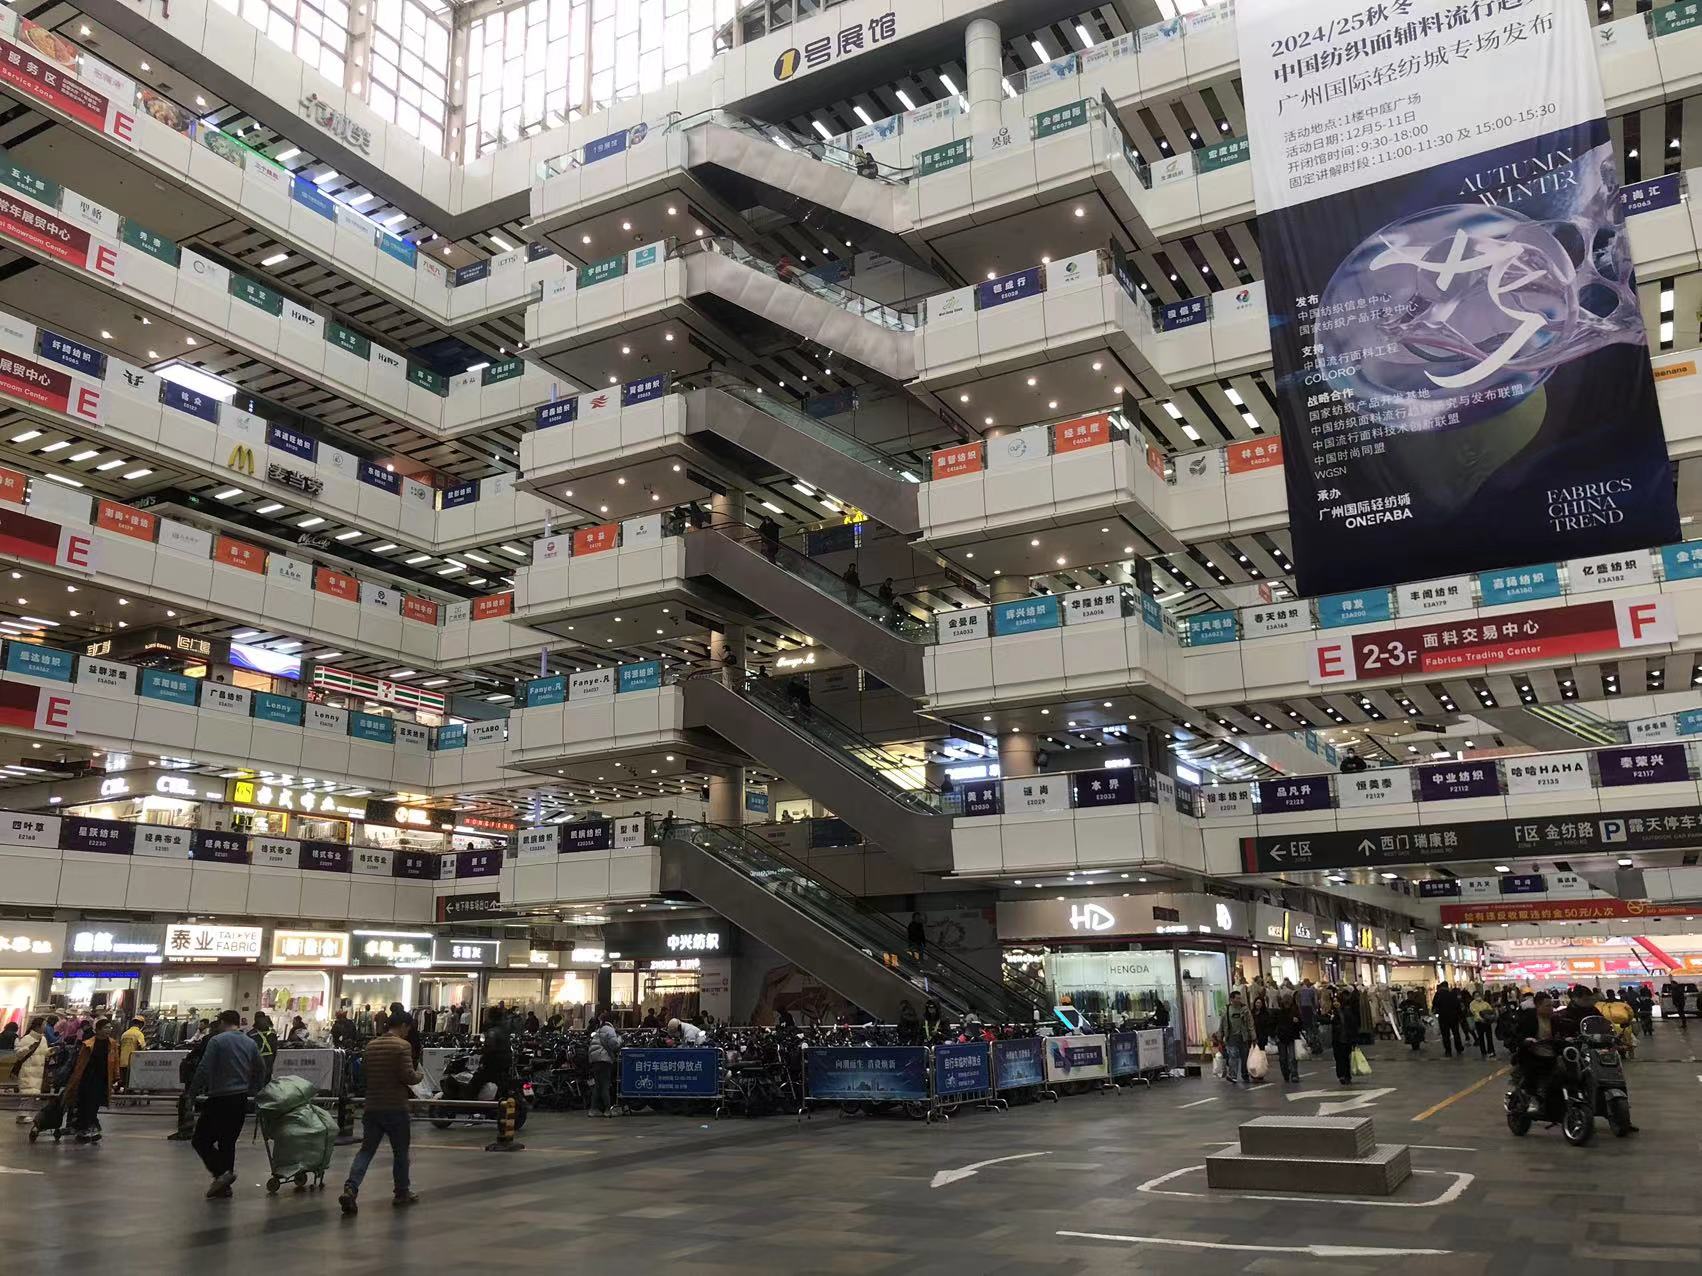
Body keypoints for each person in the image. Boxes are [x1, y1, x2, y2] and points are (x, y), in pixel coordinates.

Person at [339, 1014, 423, 1213]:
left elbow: (364, 1074)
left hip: (372, 1106)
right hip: (395, 1107)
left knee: (366, 1151)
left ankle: (351, 1187)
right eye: (407, 1029)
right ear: (403, 1026)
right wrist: (419, 1076)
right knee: (400, 1152)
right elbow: (407, 1076)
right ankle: (402, 1192)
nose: (407, 1033)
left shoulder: (371, 1046)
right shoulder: (402, 1046)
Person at [190, 1011, 265, 1198]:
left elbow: (204, 1067)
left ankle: (221, 1173)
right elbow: (261, 1068)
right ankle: (224, 1186)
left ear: (223, 1022)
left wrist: (192, 1091)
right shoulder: (250, 1042)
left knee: (200, 1140)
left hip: (219, 1098)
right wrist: (256, 1088)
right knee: (228, 1142)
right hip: (240, 1098)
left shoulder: (218, 1041)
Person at [62, 1019, 119, 1142]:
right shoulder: (88, 1044)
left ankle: (86, 1129)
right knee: (86, 1105)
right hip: (88, 1079)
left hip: (103, 1079)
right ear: (98, 1030)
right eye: (106, 1027)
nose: (108, 1030)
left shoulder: (112, 1044)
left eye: (110, 1027)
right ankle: (86, 1129)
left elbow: (115, 1062)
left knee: (94, 1105)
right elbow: (80, 1063)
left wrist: (116, 1076)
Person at [11, 1016, 48, 1124]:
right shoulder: (26, 1039)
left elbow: (44, 1052)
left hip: (38, 1070)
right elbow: (18, 1054)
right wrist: (28, 1048)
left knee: (33, 1093)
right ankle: (22, 1115)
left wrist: (50, 1051)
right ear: (37, 1026)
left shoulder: (43, 1039)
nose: (45, 1027)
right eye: (43, 1025)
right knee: (28, 1092)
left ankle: (23, 1114)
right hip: (27, 1069)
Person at [587, 1013, 621, 1116]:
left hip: (595, 1059)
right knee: (605, 1085)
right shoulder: (609, 1029)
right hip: (604, 1059)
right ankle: (607, 1110)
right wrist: (620, 1039)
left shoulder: (599, 1029)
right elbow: (614, 1044)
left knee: (598, 1085)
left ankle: (593, 1109)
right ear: (613, 1021)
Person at [1331, 984, 1361, 1086]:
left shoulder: (1347, 1011)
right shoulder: (1333, 1012)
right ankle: (1341, 1076)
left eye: (1337, 1001)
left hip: (1346, 1038)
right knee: (1339, 1058)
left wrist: (1355, 1039)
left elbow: (1352, 1025)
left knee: (1345, 1058)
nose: (1336, 1003)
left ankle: (1346, 1076)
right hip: (1337, 1039)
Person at [1221, 991, 1254, 1085]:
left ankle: (1245, 1073)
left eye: (1240, 998)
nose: (1239, 1000)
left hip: (1243, 1037)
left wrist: (1253, 1036)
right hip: (1231, 1037)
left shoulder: (1244, 1009)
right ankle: (1233, 1075)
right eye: (1237, 998)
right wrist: (1220, 1035)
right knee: (1233, 1056)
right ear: (1232, 999)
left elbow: (1250, 1023)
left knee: (1245, 1057)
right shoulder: (1226, 1010)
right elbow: (1222, 1024)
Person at [1272, 993, 1303, 1083]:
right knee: (1283, 1058)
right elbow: (1275, 1024)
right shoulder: (1279, 1013)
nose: (1286, 1004)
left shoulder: (1295, 1012)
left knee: (1292, 1057)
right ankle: (1286, 1073)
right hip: (1282, 1037)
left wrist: (1297, 1022)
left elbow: (1301, 1024)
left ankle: (1294, 1074)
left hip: (1292, 1037)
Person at [1432, 981, 1464, 1058]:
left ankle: (1448, 1051)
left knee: (1445, 1035)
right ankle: (1459, 1048)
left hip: (1443, 1017)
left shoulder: (1438, 994)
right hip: (1454, 1017)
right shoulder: (1452, 994)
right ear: (1447, 986)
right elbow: (1458, 1005)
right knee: (1456, 1033)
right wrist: (1460, 1016)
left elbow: (1434, 1005)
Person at [250, 1012, 278, 1082]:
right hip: (269, 1059)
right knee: (267, 1080)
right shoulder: (273, 1032)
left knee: (256, 1081)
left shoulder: (251, 1034)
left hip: (257, 1059)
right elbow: (275, 1050)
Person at [1469, 988, 1495, 1059]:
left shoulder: (1485, 1003)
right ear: (1473, 997)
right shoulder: (1472, 1004)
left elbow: (1490, 1010)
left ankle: (1491, 1050)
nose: (1478, 996)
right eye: (1476, 995)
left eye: (1479, 995)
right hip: (1479, 1023)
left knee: (1489, 1037)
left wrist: (1490, 1017)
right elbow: (1475, 1012)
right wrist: (1481, 1019)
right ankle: (1483, 1051)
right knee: (1481, 1038)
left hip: (1487, 1022)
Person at [1297, 979, 1319, 1050]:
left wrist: (1300, 1010)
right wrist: (1315, 1009)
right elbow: (1315, 1001)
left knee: (1306, 1026)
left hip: (1303, 1009)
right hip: (1310, 1008)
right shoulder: (1312, 990)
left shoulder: (1300, 991)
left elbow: (1298, 1001)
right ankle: (1313, 1041)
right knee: (1312, 1025)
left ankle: (1308, 1039)